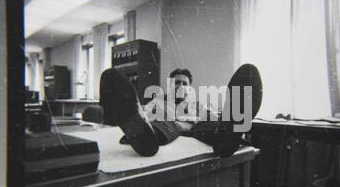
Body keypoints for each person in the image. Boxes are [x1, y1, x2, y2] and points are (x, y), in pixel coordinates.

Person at [99, 64, 263, 157]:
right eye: (177, 82)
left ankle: (227, 136)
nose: (180, 86)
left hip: (195, 129)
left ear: (189, 87)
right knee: (162, 122)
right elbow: (142, 114)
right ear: (171, 84)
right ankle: (145, 138)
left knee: (212, 122)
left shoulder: (197, 103)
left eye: (185, 83)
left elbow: (213, 116)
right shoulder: (159, 99)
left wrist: (192, 123)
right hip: (167, 128)